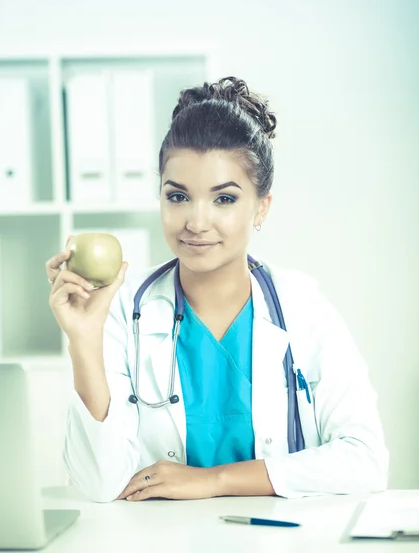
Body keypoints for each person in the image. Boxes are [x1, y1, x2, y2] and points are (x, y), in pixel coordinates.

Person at [46, 77, 389, 503]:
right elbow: (99, 486)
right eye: (178, 197)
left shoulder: (303, 308)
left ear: (261, 206)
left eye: (224, 199)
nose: (196, 221)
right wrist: (83, 340)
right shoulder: (122, 309)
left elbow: (366, 460)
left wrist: (214, 480)